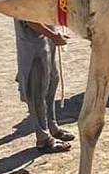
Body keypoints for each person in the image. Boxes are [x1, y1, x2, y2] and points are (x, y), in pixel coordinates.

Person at [14, 20, 76, 153]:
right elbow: (27, 18)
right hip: (33, 44)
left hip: (46, 39)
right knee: (37, 90)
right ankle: (43, 138)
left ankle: (52, 126)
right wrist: (53, 36)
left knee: (52, 81)